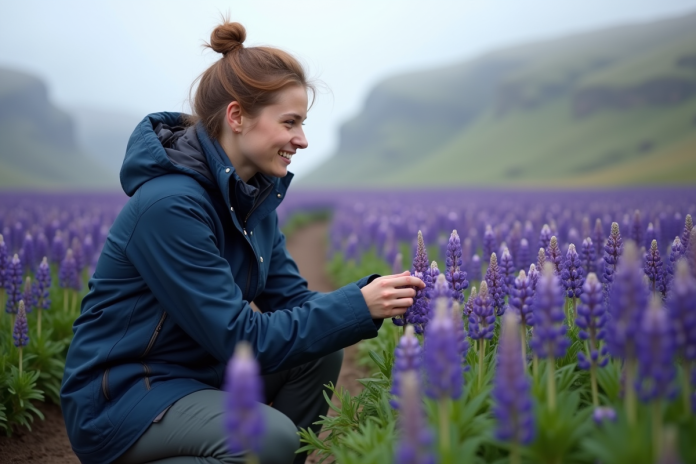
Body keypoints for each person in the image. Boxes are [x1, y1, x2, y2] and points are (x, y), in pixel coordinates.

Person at [60, 20, 424, 464]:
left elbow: (291, 301)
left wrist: (376, 297)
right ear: (237, 117)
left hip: (199, 375)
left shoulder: (252, 200)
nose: (302, 140)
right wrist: (357, 304)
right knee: (265, 436)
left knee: (319, 356)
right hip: (127, 396)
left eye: (303, 124)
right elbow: (239, 338)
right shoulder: (171, 206)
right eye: (290, 123)